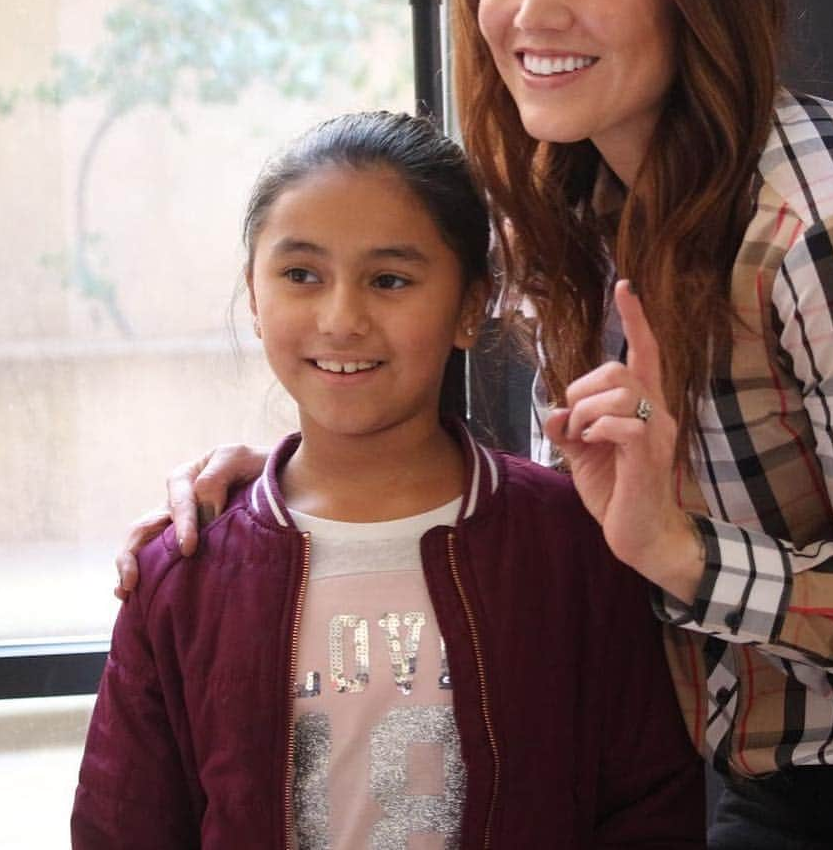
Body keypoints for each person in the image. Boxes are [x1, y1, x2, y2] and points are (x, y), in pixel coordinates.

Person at [116, 0, 833, 848]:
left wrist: (680, 552)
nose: (530, 12)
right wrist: (299, 476)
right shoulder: (591, 207)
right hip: (769, 767)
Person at [75, 111, 704, 848]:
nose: (342, 318)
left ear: (471, 305)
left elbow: (650, 807)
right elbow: (122, 828)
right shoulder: (182, 571)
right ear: (253, 291)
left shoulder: (575, 546)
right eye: (301, 274)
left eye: (390, 279)